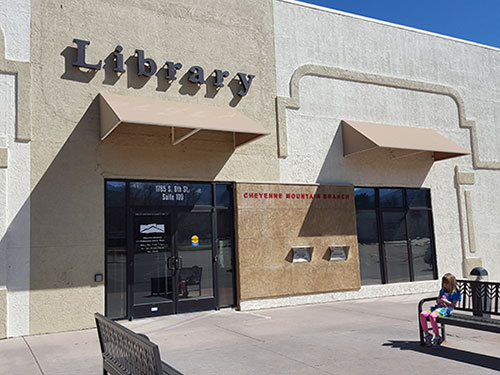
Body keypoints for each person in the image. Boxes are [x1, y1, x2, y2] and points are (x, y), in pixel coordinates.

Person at [419, 273, 461, 346]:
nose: (445, 285)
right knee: (423, 314)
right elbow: (438, 299)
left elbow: (453, 304)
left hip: (446, 309)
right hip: (438, 307)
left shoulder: (456, 292)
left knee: (432, 316)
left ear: (451, 283)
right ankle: (427, 334)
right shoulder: (442, 290)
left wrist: (444, 301)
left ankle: (437, 336)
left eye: (447, 284)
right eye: (444, 284)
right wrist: (439, 301)